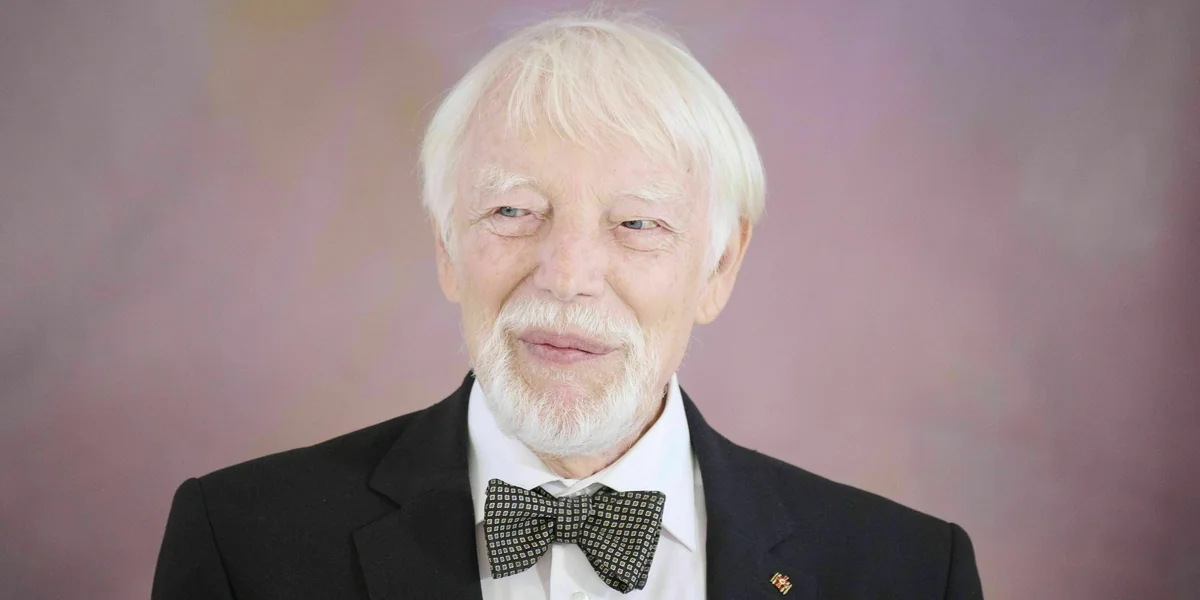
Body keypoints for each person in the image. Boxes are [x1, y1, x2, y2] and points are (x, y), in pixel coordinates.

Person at [153, 10, 983, 600]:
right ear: (446, 245)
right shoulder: (242, 544)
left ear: (720, 266)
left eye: (637, 224)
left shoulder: (910, 573)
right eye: (514, 211)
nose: (567, 275)